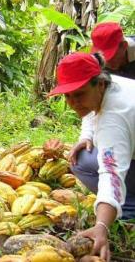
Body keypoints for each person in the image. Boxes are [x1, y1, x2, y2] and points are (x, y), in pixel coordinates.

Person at [49, 52, 135, 262]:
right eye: (68, 96)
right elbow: (90, 112)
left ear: (100, 85)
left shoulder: (114, 117)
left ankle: (129, 210)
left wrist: (101, 226)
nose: (73, 102)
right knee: (84, 159)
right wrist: (87, 136)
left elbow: (111, 173)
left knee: (92, 164)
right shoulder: (111, 85)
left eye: (79, 94)